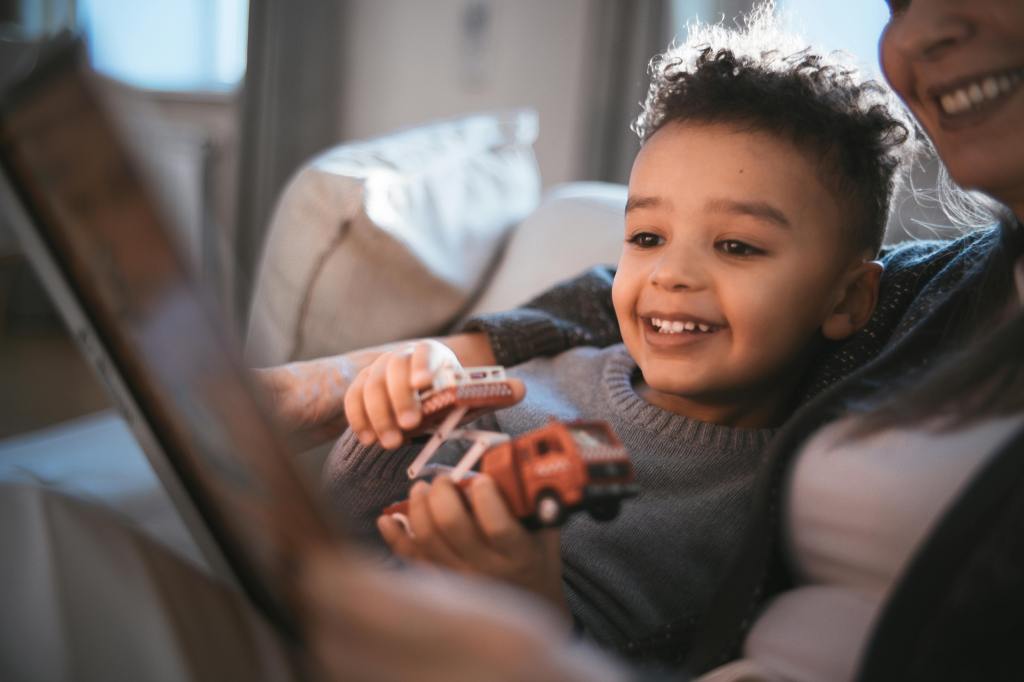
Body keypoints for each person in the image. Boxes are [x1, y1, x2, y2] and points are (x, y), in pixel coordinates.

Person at [292, 0, 1024, 680]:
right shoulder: (546, 369)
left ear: (848, 299)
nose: (670, 275)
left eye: (737, 246)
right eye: (646, 237)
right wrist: (394, 402)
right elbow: (326, 534)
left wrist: (532, 603)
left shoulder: (759, 517)